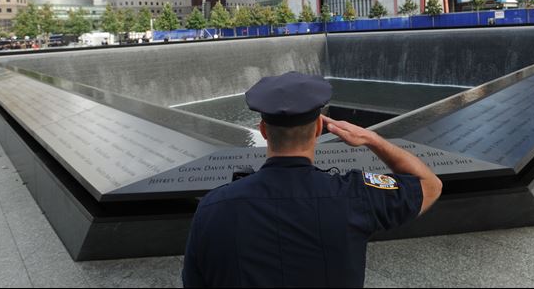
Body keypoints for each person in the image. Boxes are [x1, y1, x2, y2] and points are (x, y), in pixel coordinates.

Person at [183, 71, 442, 288]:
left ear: (263, 131)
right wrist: (371, 139)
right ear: (319, 128)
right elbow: (430, 185)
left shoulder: (212, 208)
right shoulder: (356, 196)